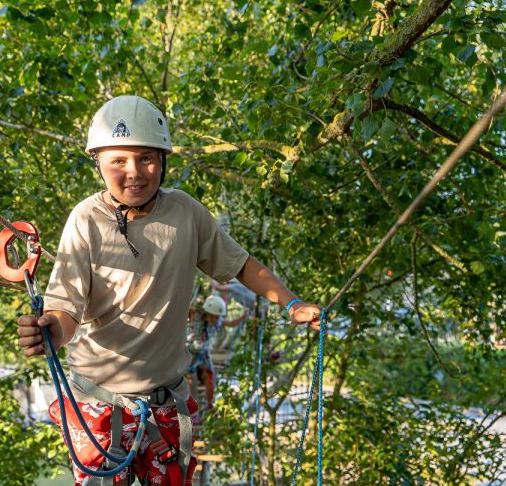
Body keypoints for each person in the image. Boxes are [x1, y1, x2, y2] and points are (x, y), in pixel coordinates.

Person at [16, 95, 320, 486]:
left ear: (163, 160)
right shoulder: (86, 220)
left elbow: (241, 265)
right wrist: (51, 332)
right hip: (100, 404)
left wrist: (292, 303)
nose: (134, 172)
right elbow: (67, 309)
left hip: (166, 402)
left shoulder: (185, 214)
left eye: (146, 158)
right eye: (118, 161)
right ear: (98, 163)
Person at [186, 295, 245, 410]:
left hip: (203, 351)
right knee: (190, 378)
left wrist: (242, 317)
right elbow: (185, 307)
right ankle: (191, 405)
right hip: (190, 350)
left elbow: (230, 323)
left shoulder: (218, 321)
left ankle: (210, 403)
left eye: (217, 317)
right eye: (213, 316)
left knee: (209, 375)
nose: (215, 319)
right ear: (207, 312)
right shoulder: (197, 314)